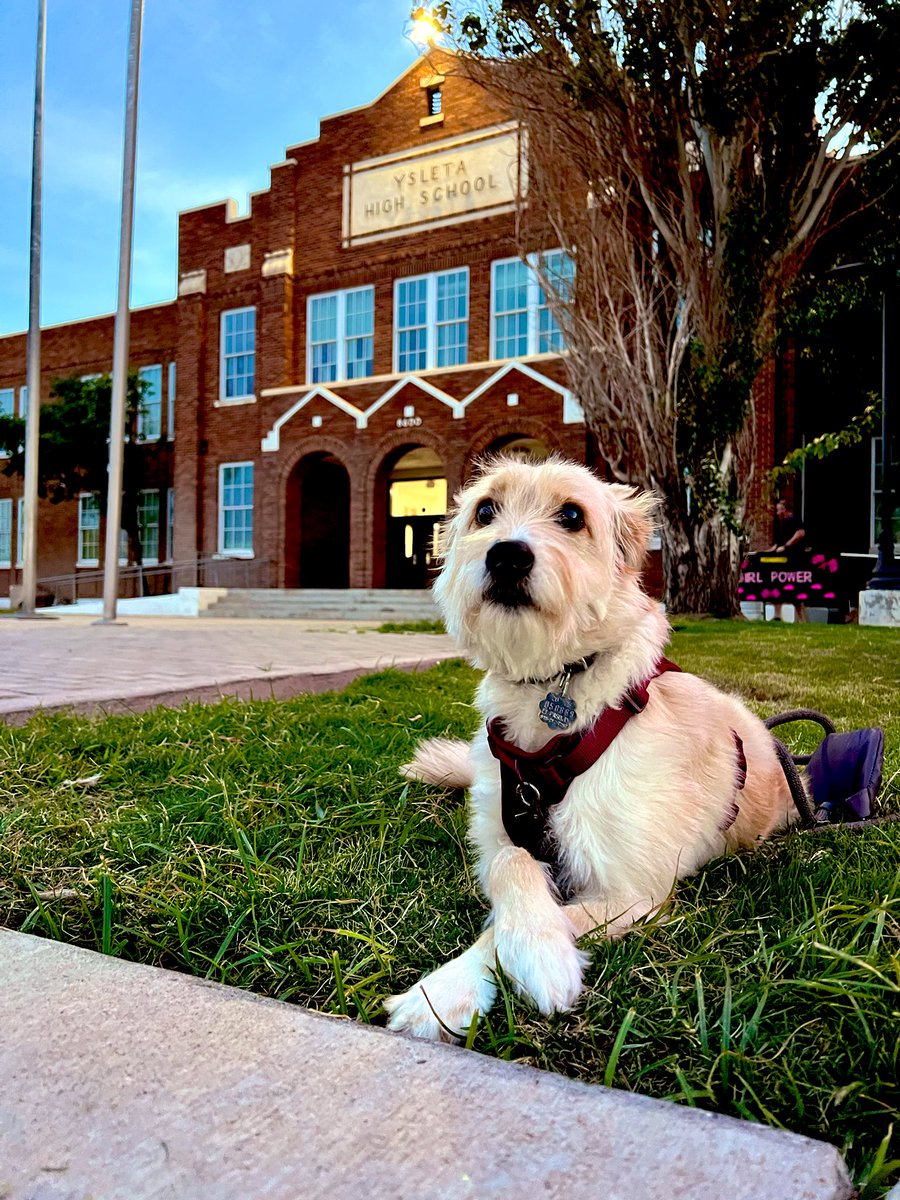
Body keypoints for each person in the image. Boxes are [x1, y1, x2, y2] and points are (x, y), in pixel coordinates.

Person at [766, 499, 806, 620]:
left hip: (794, 559)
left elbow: (800, 534)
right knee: (777, 586)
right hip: (782, 560)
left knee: (795, 591)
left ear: (785, 510)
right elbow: (777, 544)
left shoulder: (794, 520)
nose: (777, 513)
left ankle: (801, 619)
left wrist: (786, 546)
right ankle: (777, 616)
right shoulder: (780, 525)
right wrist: (765, 553)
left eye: (779, 510)